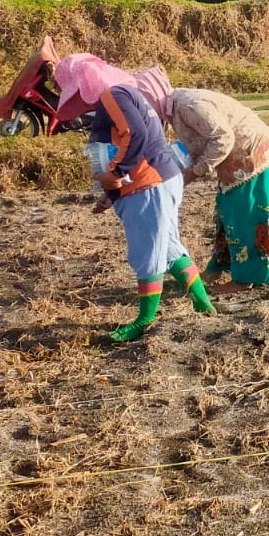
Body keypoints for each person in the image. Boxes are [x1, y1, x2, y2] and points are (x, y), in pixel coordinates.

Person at [55, 53, 215, 341]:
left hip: (147, 185)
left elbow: (134, 135)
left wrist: (117, 172)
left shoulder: (113, 96)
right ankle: (203, 304)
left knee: (146, 253)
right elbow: (121, 143)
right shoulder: (125, 94)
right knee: (167, 248)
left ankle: (144, 320)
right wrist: (110, 194)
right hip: (159, 180)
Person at [134, 69, 269, 291]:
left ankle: (247, 279)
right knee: (227, 211)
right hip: (236, 160)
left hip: (252, 156)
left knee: (247, 215)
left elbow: (223, 138)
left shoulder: (188, 106)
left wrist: (197, 170)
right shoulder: (177, 109)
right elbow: (198, 142)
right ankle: (219, 267)